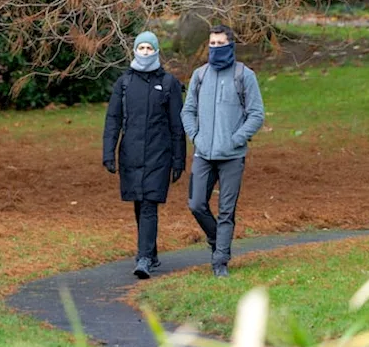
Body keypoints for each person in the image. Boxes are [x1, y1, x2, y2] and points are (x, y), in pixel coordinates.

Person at [181, 24, 265, 278]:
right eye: (212, 44)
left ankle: (220, 261)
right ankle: (218, 242)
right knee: (196, 204)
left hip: (232, 156)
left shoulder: (244, 75)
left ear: (231, 45)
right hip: (204, 154)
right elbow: (188, 111)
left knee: (226, 210)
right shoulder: (200, 75)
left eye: (220, 44)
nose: (216, 48)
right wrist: (195, 136)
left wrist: (236, 139)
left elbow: (256, 114)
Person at [102, 30, 187, 279]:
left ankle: (144, 258)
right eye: (142, 48)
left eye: (150, 48)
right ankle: (151, 251)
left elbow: (176, 125)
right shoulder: (124, 83)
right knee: (139, 203)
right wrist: (108, 153)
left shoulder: (169, 83)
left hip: (159, 155)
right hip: (131, 154)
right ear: (135, 51)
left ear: (157, 51)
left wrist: (178, 160)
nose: (146, 52)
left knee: (149, 203)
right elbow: (113, 119)